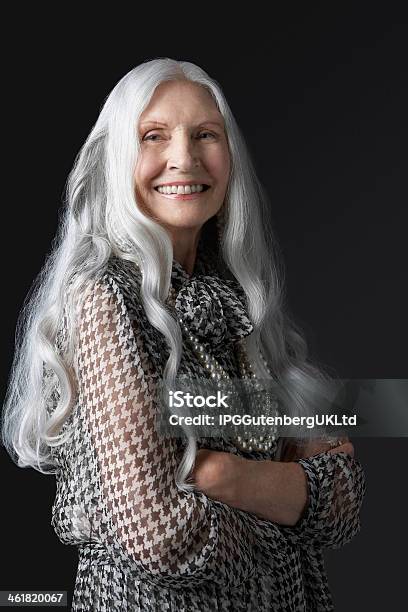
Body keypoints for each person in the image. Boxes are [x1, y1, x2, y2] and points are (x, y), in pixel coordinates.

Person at [1, 58, 366, 611]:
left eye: (205, 135)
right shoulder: (102, 297)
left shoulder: (236, 301)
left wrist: (229, 476)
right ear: (119, 157)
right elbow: (162, 534)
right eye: (154, 136)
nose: (184, 158)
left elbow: (344, 502)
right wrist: (288, 503)